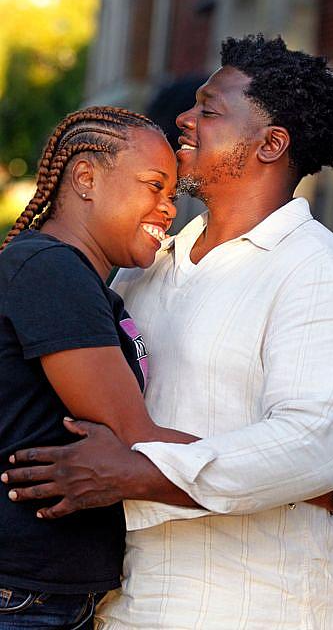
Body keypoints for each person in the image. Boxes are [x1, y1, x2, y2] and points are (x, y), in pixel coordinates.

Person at [3, 35, 333, 629]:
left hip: (241, 604)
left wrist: (137, 471)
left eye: (209, 110)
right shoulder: (144, 270)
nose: (184, 118)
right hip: (116, 602)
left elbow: (312, 448)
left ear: (271, 143)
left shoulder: (318, 272)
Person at [0, 106, 201, 628]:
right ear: (86, 178)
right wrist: (285, 478)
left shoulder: (86, 282)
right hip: (20, 594)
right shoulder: (49, 268)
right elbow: (133, 434)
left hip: (50, 593)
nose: (167, 209)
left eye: (172, 194)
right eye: (154, 185)